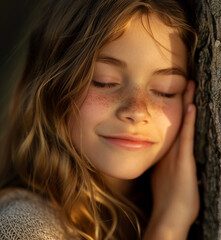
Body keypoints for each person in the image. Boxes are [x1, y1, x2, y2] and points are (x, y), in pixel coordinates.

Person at [0, 0, 199, 239]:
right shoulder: (25, 227)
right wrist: (168, 227)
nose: (136, 111)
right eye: (105, 81)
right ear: (53, 86)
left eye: (165, 90)